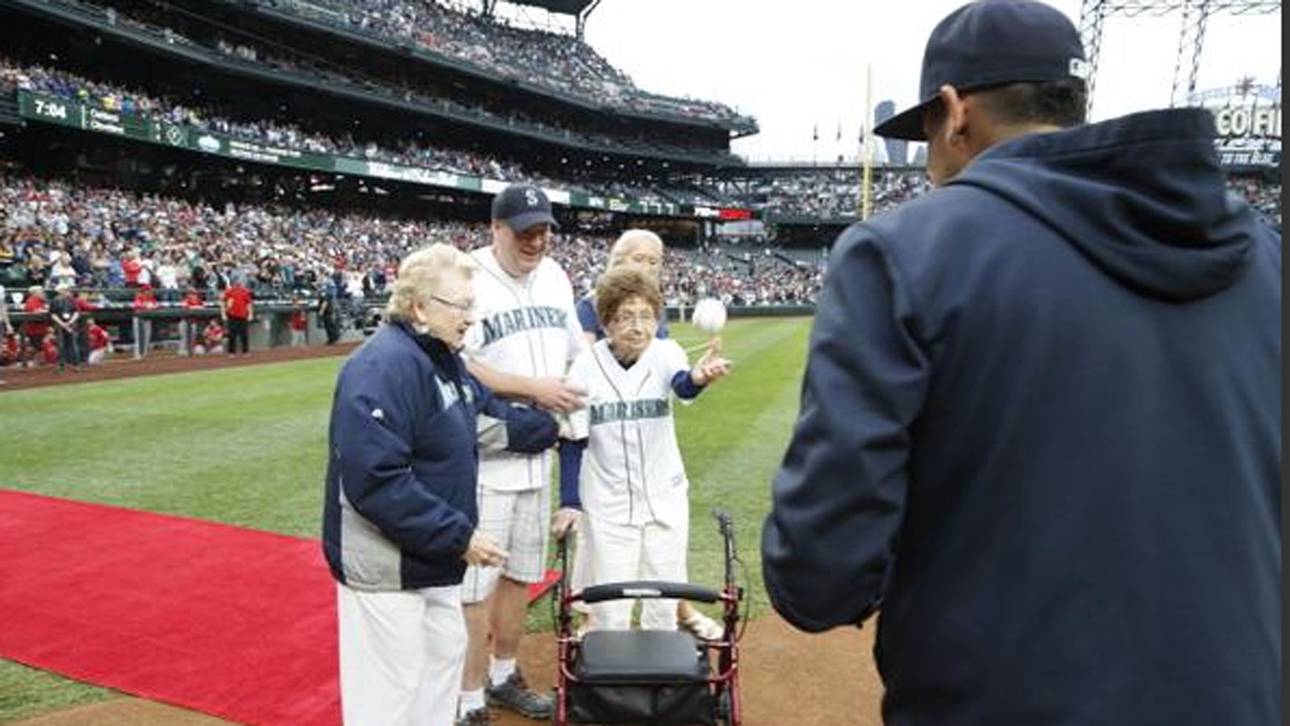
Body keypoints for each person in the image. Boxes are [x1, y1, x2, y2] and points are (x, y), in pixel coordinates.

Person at [760, 3, 1281, 725]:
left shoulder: (906, 250)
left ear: (955, 110)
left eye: (928, 136)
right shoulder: (1264, 253)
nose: (933, 158)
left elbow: (820, 577)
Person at [322, 243, 557, 726]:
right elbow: (375, 480)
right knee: (388, 702)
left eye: (472, 305)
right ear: (419, 307)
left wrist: (558, 425)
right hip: (387, 569)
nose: (471, 318)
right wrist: (460, 535)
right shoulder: (383, 365)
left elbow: (488, 421)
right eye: (460, 306)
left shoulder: (443, 358)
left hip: (433, 560)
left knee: (437, 681)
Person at [457, 184, 587, 725]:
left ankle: (505, 673)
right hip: (486, 456)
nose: (536, 241)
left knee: (520, 576)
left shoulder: (556, 277)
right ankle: (466, 699)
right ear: (495, 229)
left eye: (544, 231)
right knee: (474, 587)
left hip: (539, 453)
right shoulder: (467, 277)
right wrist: (531, 388)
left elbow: (576, 352)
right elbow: (458, 360)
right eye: (525, 231)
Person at [555, 266, 731, 633]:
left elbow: (682, 385)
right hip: (608, 501)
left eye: (646, 316)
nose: (638, 327)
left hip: (664, 494)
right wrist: (570, 501)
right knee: (610, 602)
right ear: (606, 322)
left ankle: (661, 680)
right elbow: (573, 440)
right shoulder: (585, 367)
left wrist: (699, 379)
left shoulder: (666, 353)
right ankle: (608, 682)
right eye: (626, 317)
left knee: (663, 597)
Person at [48, 285, 81, 373]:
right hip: (59, 325)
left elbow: (76, 312)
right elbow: (53, 314)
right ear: (59, 291)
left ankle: (76, 365)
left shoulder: (71, 300)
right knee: (60, 346)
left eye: (67, 290)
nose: (67, 291)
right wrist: (63, 324)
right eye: (64, 290)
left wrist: (70, 322)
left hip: (71, 324)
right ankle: (61, 365)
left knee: (73, 345)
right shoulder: (54, 301)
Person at [221, 276, 254, 356]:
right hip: (232, 315)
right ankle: (231, 352)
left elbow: (249, 304)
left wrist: (250, 314)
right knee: (232, 335)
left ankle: (245, 351)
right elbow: (223, 302)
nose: (238, 283)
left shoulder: (245, 291)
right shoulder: (229, 291)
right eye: (236, 282)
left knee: (244, 335)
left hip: (242, 315)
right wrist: (223, 313)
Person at [21, 286, 48, 368]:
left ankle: (38, 364)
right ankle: (33, 365)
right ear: (35, 293)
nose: (43, 293)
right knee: (36, 347)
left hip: (41, 327)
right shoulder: (31, 300)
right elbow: (35, 311)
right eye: (41, 291)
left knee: (39, 346)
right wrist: (45, 310)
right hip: (34, 328)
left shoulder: (42, 301)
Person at [131, 284, 159, 359]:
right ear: (144, 291)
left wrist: (151, 306)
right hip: (138, 319)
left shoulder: (151, 297)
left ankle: (144, 354)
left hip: (147, 318)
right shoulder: (139, 296)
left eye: (150, 290)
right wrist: (146, 305)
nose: (150, 292)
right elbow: (137, 305)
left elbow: (156, 305)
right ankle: (137, 355)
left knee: (147, 337)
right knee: (138, 338)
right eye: (148, 290)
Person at [180, 288, 205, 356]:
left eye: (193, 294)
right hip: (184, 322)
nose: (192, 295)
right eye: (190, 294)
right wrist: (195, 307)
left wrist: (194, 307)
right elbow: (185, 307)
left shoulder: (199, 301)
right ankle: (183, 351)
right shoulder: (186, 300)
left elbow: (203, 307)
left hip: (193, 322)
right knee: (184, 337)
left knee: (193, 337)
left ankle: (191, 351)